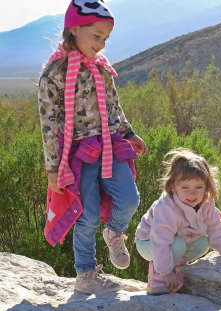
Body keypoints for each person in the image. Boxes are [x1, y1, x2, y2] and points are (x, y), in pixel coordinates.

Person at [38, 0, 147, 294]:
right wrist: (52, 170)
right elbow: (48, 124)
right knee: (85, 215)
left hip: (110, 143)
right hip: (77, 154)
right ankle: (85, 275)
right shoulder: (54, 73)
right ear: (74, 29)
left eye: (105, 39)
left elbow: (113, 105)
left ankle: (114, 232)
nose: (100, 45)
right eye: (96, 36)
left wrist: (129, 132)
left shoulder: (101, 69)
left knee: (129, 198)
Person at [135, 148, 221, 295]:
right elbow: (160, 241)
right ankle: (158, 278)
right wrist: (166, 272)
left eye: (198, 187)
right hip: (148, 242)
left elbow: (214, 226)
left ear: (207, 186)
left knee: (203, 243)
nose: (192, 193)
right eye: (185, 187)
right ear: (173, 185)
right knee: (177, 244)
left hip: (176, 241)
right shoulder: (167, 207)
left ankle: (176, 266)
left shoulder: (206, 203)